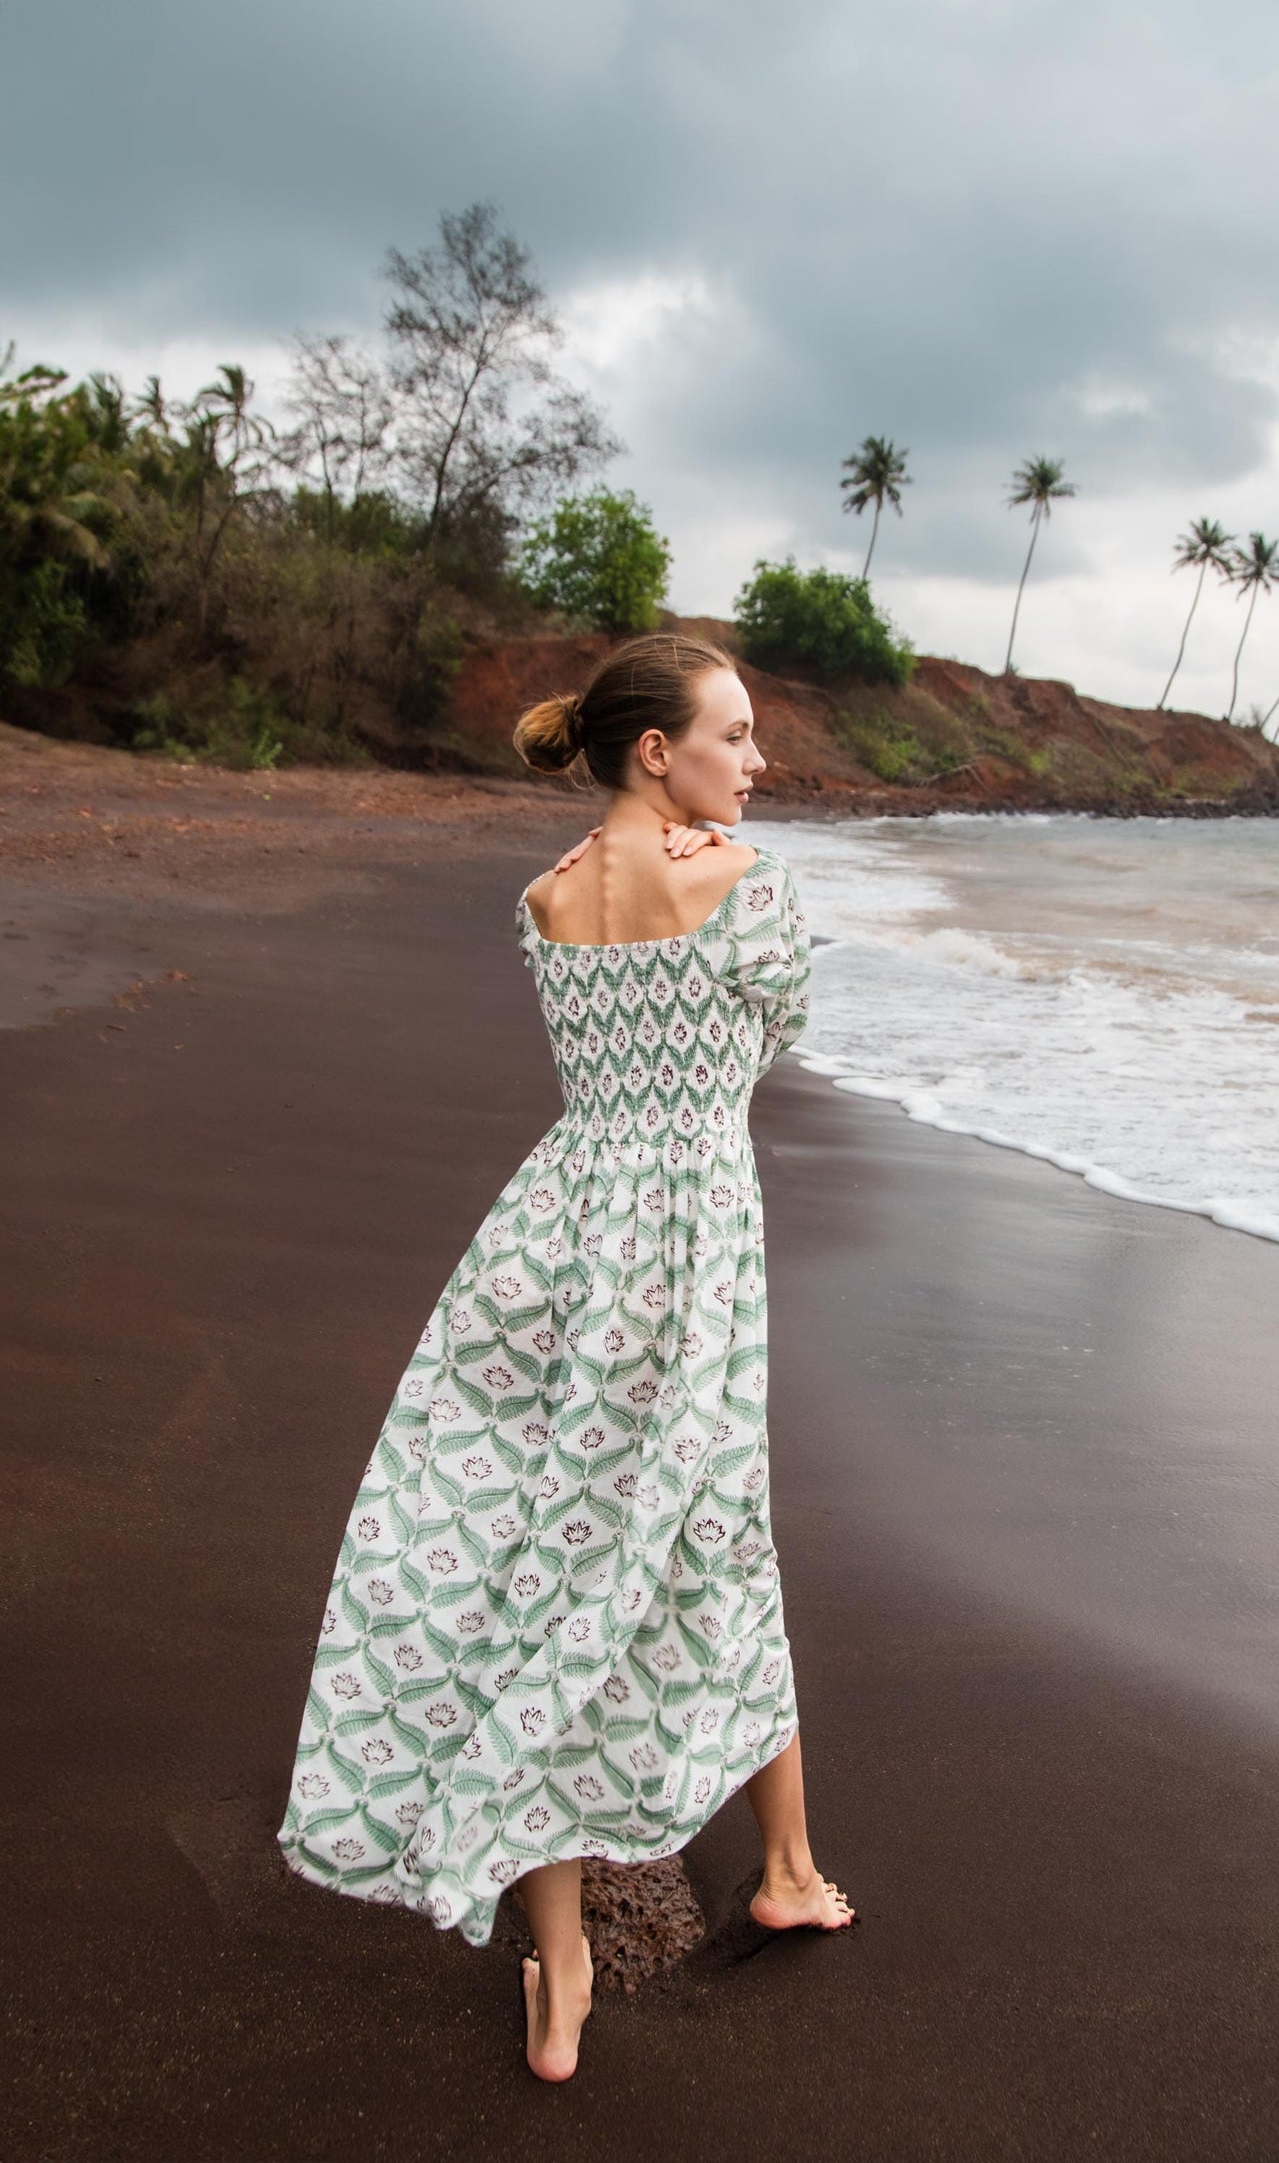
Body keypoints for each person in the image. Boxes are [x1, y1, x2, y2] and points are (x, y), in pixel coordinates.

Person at [276, 631, 853, 2084]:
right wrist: (720, 873)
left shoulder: (538, 898)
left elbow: (610, 1038)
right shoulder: (747, 882)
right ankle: (782, 1865)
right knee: (714, 1528)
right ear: (658, 751)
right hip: (685, 1251)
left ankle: (566, 1956)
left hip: (549, 1239)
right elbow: (776, 1024)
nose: (756, 760)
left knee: (537, 1550)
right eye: (733, 733)